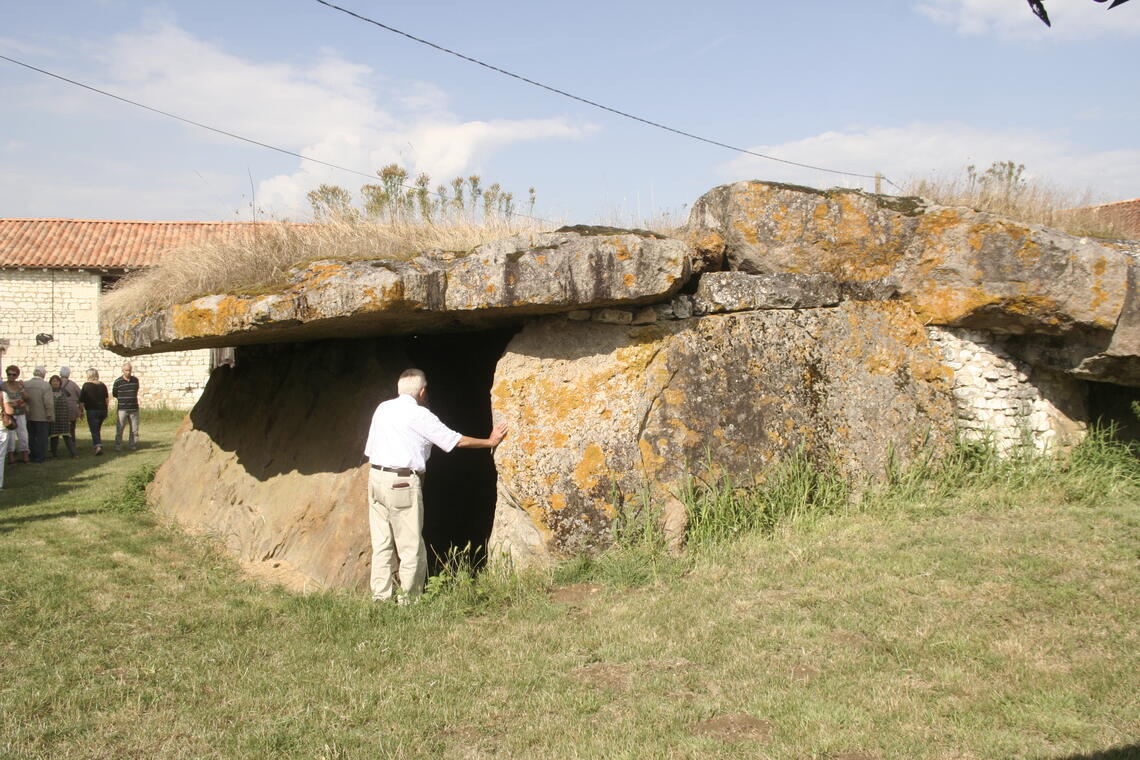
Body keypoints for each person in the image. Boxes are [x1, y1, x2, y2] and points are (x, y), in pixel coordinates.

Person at [363, 368, 508, 603]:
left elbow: (370, 450)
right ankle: (409, 600)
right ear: (422, 391)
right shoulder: (419, 415)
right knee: (410, 545)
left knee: (382, 542)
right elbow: (455, 441)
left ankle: (380, 596)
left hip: (375, 479)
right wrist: (489, 441)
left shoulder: (383, 409)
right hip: (401, 482)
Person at [23, 366, 54, 464]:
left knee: (31, 436)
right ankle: (40, 457)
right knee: (42, 437)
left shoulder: (25, 384)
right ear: (43, 374)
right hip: (42, 415)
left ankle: (32, 455)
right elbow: (48, 402)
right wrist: (49, 414)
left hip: (28, 415)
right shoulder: (45, 385)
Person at [79, 368, 109, 455]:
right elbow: (106, 399)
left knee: (94, 430)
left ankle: (98, 446)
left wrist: (81, 412)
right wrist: (106, 409)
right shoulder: (103, 385)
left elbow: (82, 401)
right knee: (97, 429)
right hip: (102, 410)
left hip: (92, 410)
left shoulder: (86, 385)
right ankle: (97, 444)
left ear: (89, 375)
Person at [3, 365, 30, 465]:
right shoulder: (3, 386)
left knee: (23, 434)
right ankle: (11, 457)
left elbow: (27, 397)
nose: (11, 376)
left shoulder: (19, 385)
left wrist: (22, 389)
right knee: (10, 435)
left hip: (20, 412)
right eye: (9, 374)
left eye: (13, 374)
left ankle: (25, 455)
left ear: (17, 375)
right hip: (9, 413)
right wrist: (10, 404)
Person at [112, 362, 141, 451]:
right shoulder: (118, 381)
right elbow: (114, 393)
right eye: (126, 370)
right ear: (123, 370)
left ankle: (133, 445)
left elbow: (136, 390)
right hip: (122, 409)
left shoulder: (135, 380)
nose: (128, 372)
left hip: (134, 408)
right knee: (120, 428)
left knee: (134, 429)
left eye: (129, 370)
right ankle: (118, 446)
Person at [48, 375, 76, 458]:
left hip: (63, 416)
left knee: (67, 436)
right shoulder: (48, 392)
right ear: (50, 383)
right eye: (53, 381)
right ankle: (54, 454)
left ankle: (73, 454)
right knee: (54, 437)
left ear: (60, 382)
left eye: (57, 381)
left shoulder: (64, 391)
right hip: (54, 416)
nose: (55, 382)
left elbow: (69, 400)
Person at [59, 366, 83, 444]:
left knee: (56, 428)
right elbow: (81, 397)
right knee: (72, 428)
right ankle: (72, 443)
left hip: (59, 408)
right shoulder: (73, 384)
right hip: (71, 408)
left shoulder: (56, 383)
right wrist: (80, 410)